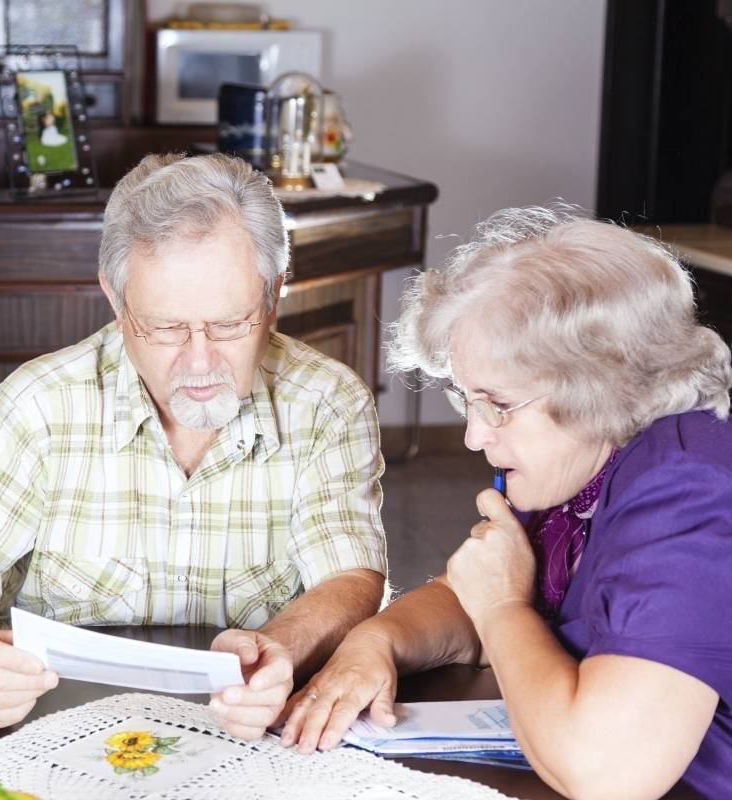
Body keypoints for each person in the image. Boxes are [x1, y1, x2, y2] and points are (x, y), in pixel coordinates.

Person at [279, 205, 732, 800]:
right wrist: (375, 642)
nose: (473, 436)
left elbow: (606, 775)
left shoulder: (691, 490)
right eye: (467, 400)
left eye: (497, 404)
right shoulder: (579, 461)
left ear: (600, 384)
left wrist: (501, 608)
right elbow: (470, 589)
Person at [0, 153, 387, 738]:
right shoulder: (35, 408)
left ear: (273, 295)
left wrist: (279, 649)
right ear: (117, 304)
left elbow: (350, 577)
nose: (199, 363)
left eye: (229, 324)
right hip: (61, 739)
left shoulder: (328, 404)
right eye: (167, 329)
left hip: (248, 739)